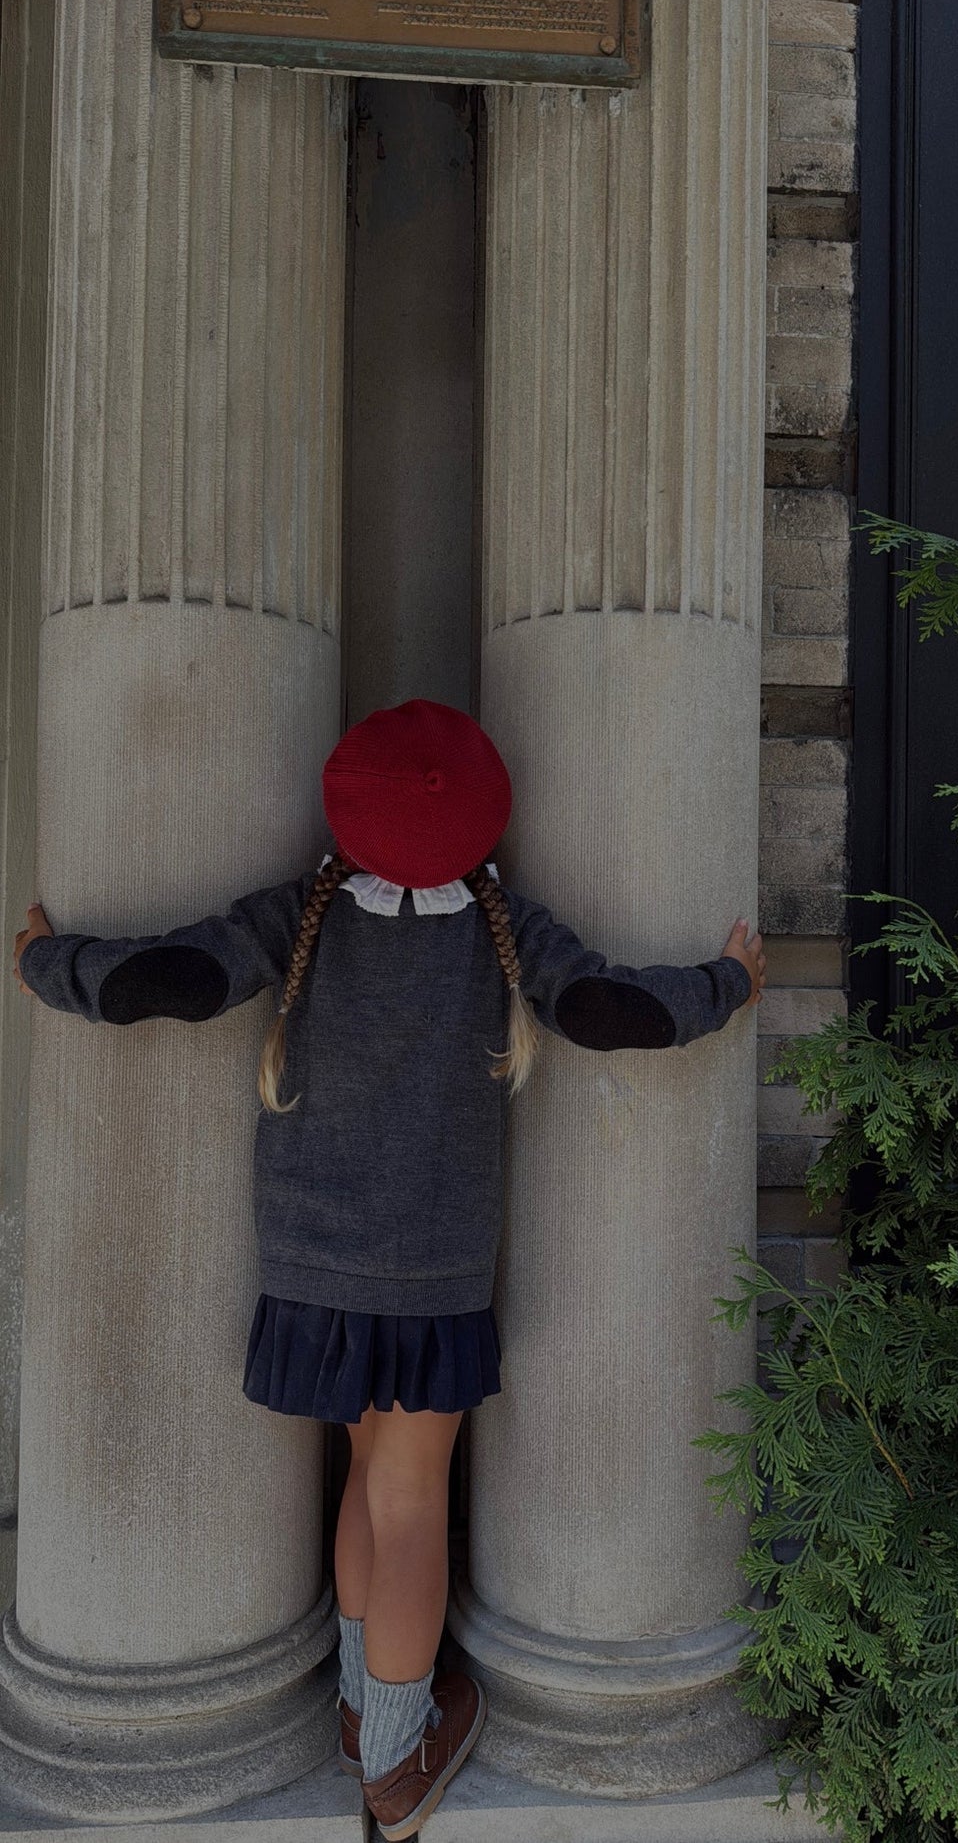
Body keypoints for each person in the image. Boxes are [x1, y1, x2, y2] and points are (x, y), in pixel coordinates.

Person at [12, 697, 765, 1839]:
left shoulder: (304, 912)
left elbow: (158, 981)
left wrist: (41, 959)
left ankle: (373, 1709)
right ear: (484, 819)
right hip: (428, 1273)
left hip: (309, 1259)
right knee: (409, 1500)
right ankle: (398, 1764)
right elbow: (610, 1010)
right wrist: (729, 982)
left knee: (368, 1481)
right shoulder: (497, 923)